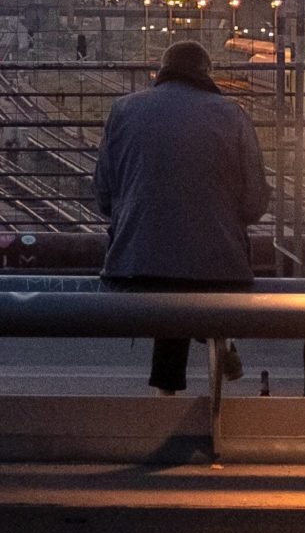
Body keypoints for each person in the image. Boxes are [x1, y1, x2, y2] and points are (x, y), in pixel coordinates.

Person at [95, 39, 272, 394]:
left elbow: (103, 195)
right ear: (206, 75)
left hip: (136, 267)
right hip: (218, 270)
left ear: (161, 73)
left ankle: (167, 392)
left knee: (169, 274)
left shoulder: (123, 110)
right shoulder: (233, 115)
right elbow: (255, 203)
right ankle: (219, 340)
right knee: (195, 271)